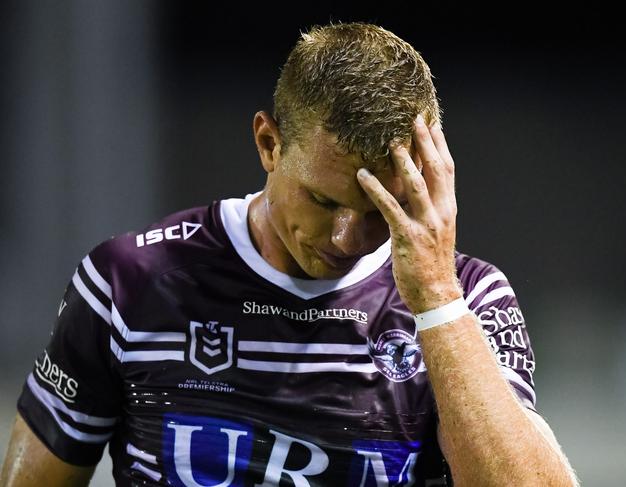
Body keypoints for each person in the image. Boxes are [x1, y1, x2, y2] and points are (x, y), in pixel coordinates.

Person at [0, 22, 578, 486]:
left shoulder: (470, 300)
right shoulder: (128, 284)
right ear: (268, 143)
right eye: (325, 200)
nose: (346, 239)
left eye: (380, 208)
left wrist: (437, 300)